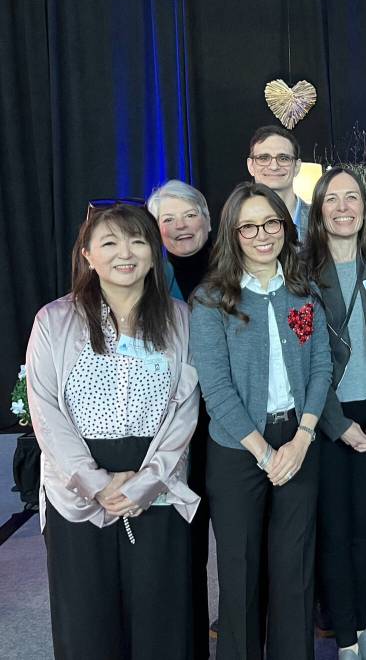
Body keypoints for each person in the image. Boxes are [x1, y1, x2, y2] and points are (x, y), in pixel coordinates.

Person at [25, 202, 200, 659]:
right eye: (110, 242)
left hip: (158, 480)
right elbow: (45, 412)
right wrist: (95, 482)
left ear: (153, 251)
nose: (126, 253)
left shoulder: (180, 318)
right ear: (87, 254)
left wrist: (146, 482)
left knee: (161, 619)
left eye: (138, 240)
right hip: (76, 487)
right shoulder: (53, 321)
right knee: (87, 621)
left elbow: (186, 408)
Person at [190, 182, 332, 660]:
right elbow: (217, 390)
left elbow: (321, 367)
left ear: (284, 226)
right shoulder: (210, 300)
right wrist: (266, 453)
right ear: (232, 234)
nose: (262, 234)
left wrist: (302, 438)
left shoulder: (302, 289)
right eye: (247, 226)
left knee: (295, 570)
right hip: (237, 448)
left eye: (270, 223)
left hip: (297, 437)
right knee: (240, 569)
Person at [302, 166, 366, 660]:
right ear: (319, 211)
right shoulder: (299, 275)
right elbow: (299, 360)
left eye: (352, 199)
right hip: (324, 417)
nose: (344, 208)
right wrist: (337, 425)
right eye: (332, 200)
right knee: (333, 531)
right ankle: (343, 640)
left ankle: (360, 629)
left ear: (365, 209)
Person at [147, 178, 214, 658]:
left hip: (232, 426)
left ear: (206, 219)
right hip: (176, 431)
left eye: (187, 215)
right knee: (184, 544)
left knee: (241, 542)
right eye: (166, 219)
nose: (178, 226)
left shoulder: (237, 260)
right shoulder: (148, 275)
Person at [147, 179, 214, 301]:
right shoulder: (150, 282)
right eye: (169, 219)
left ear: (208, 221)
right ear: (156, 230)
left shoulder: (237, 269)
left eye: (190, 215)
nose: (180, 225)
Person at [247, 125, 309, 240]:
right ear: (250, 166)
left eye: (283, 158)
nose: (274, 166)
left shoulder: (321, 218)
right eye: (264, 158)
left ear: (297, 166)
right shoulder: (237, 221)